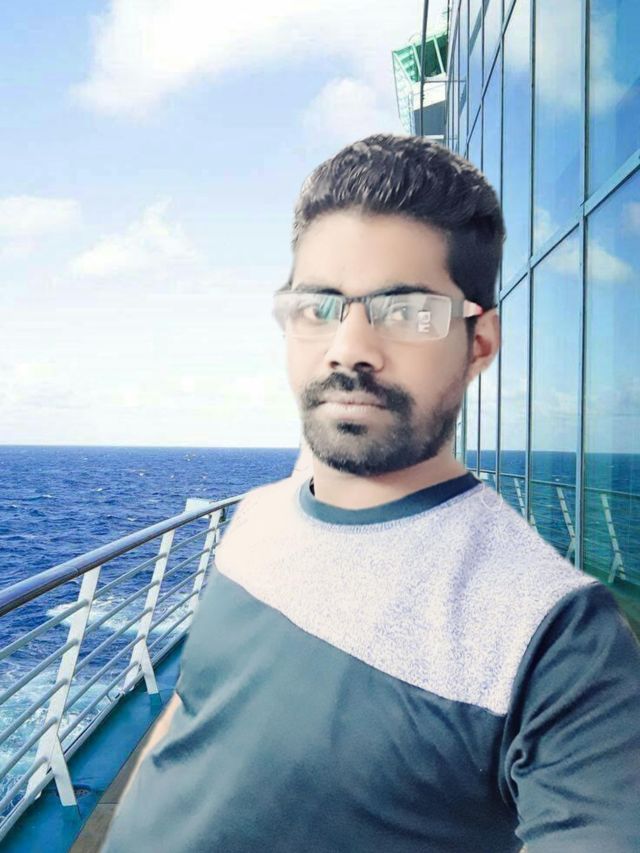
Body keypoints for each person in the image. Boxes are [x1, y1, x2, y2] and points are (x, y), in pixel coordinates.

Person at [101, 135, 640, 852]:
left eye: (407, 310)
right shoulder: (255, 519)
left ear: (479, 342)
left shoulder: (556, 635)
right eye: (318, 307)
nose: (348, 347)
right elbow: (189, 717)